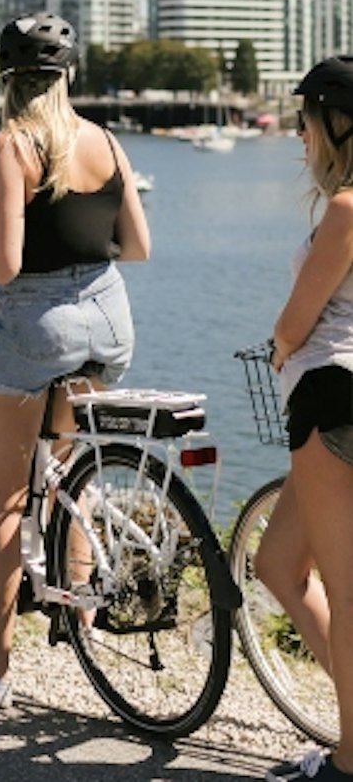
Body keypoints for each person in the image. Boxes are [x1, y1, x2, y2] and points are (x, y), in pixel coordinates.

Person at [0, 12, 150, 707]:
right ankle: (80, 611)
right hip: (108, 320)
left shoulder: (11, 145)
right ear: (68, 75)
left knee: (2, 500)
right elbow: (137, 247)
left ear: (7, 79)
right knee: (66, 472)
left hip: (35, 325)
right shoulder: (106, 140)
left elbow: (5, 264)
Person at [257, 57, 353, 781]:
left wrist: (277, 348)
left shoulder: (347, 208)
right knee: (278, 563)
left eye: (305, 120)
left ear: (336, 125)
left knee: (345, 593)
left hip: (331, 399)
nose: (298, 134)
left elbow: (296, 322)